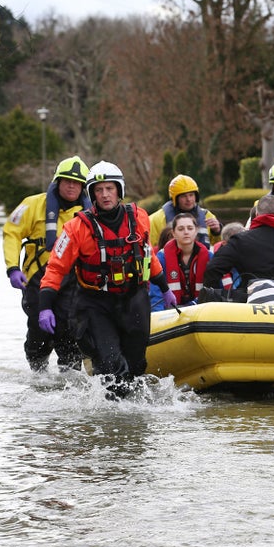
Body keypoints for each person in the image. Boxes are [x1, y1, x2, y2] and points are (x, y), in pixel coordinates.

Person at [37, 161, 177, 397]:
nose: (105, 195)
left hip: (133, 297)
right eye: (99, 190)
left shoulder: (139, 217)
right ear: (91, 194)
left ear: (119, 190)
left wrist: (164, 287)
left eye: (109, 189)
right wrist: (45, 307)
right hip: (95, 303)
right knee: (111, 364)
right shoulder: (76, 228)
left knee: (135, 364)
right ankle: (110, 417)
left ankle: (131, 416)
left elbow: (148, 255)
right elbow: (55, 268)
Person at [3, 156, 92, 372]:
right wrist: (12, 268)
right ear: (57, 181)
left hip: (73, 281)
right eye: (67, 181)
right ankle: (38, 372)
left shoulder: (91, 214)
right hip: (36, 279)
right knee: (38, 331)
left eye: (77, 182)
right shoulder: (32, 205)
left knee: (70, 331)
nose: (72, 186)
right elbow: (11, 233)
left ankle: (69, 378)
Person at [202, 194, 274, 301]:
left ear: (257, 214)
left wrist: (217, 300)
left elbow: (213, 269)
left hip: (252, 305)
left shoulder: (240, 241)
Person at [151, 212, 211, 310]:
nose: (186, 232)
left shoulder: (209, 256)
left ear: (196, 231)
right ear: (173, 233)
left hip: (200, 309)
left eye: (190, 228)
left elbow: (213, 289)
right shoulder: (162, 257)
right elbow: (156, 292)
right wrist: (157, 315)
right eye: (181, 229)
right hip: (170, 310)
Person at [148, 174, 221, 249]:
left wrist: (217, 232)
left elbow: (217, 247)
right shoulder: (156, 219)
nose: (188, 199)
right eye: (183, 196)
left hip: (202, 259)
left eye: (191, 195)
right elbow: (150, 248)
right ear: (175, 199)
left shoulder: (207, 216)